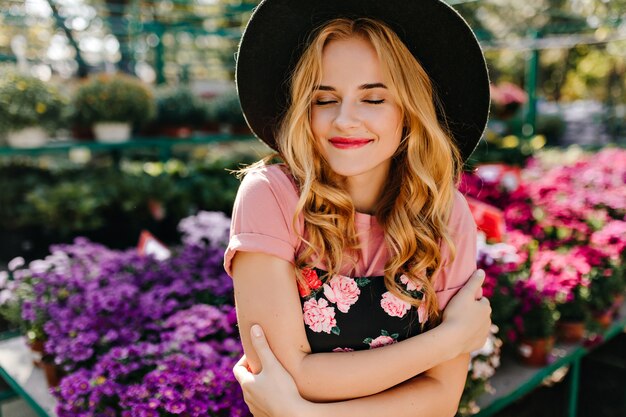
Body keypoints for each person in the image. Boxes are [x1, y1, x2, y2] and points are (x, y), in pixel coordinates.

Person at [224, 0, 492, 415]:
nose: (345, 119)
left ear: (409, 111)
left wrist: (306, 413)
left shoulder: (444, 214)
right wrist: (448, 340)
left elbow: (441, 396)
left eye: (374, 99)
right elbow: (286, 374)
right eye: (324, 99)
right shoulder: (271, 196)